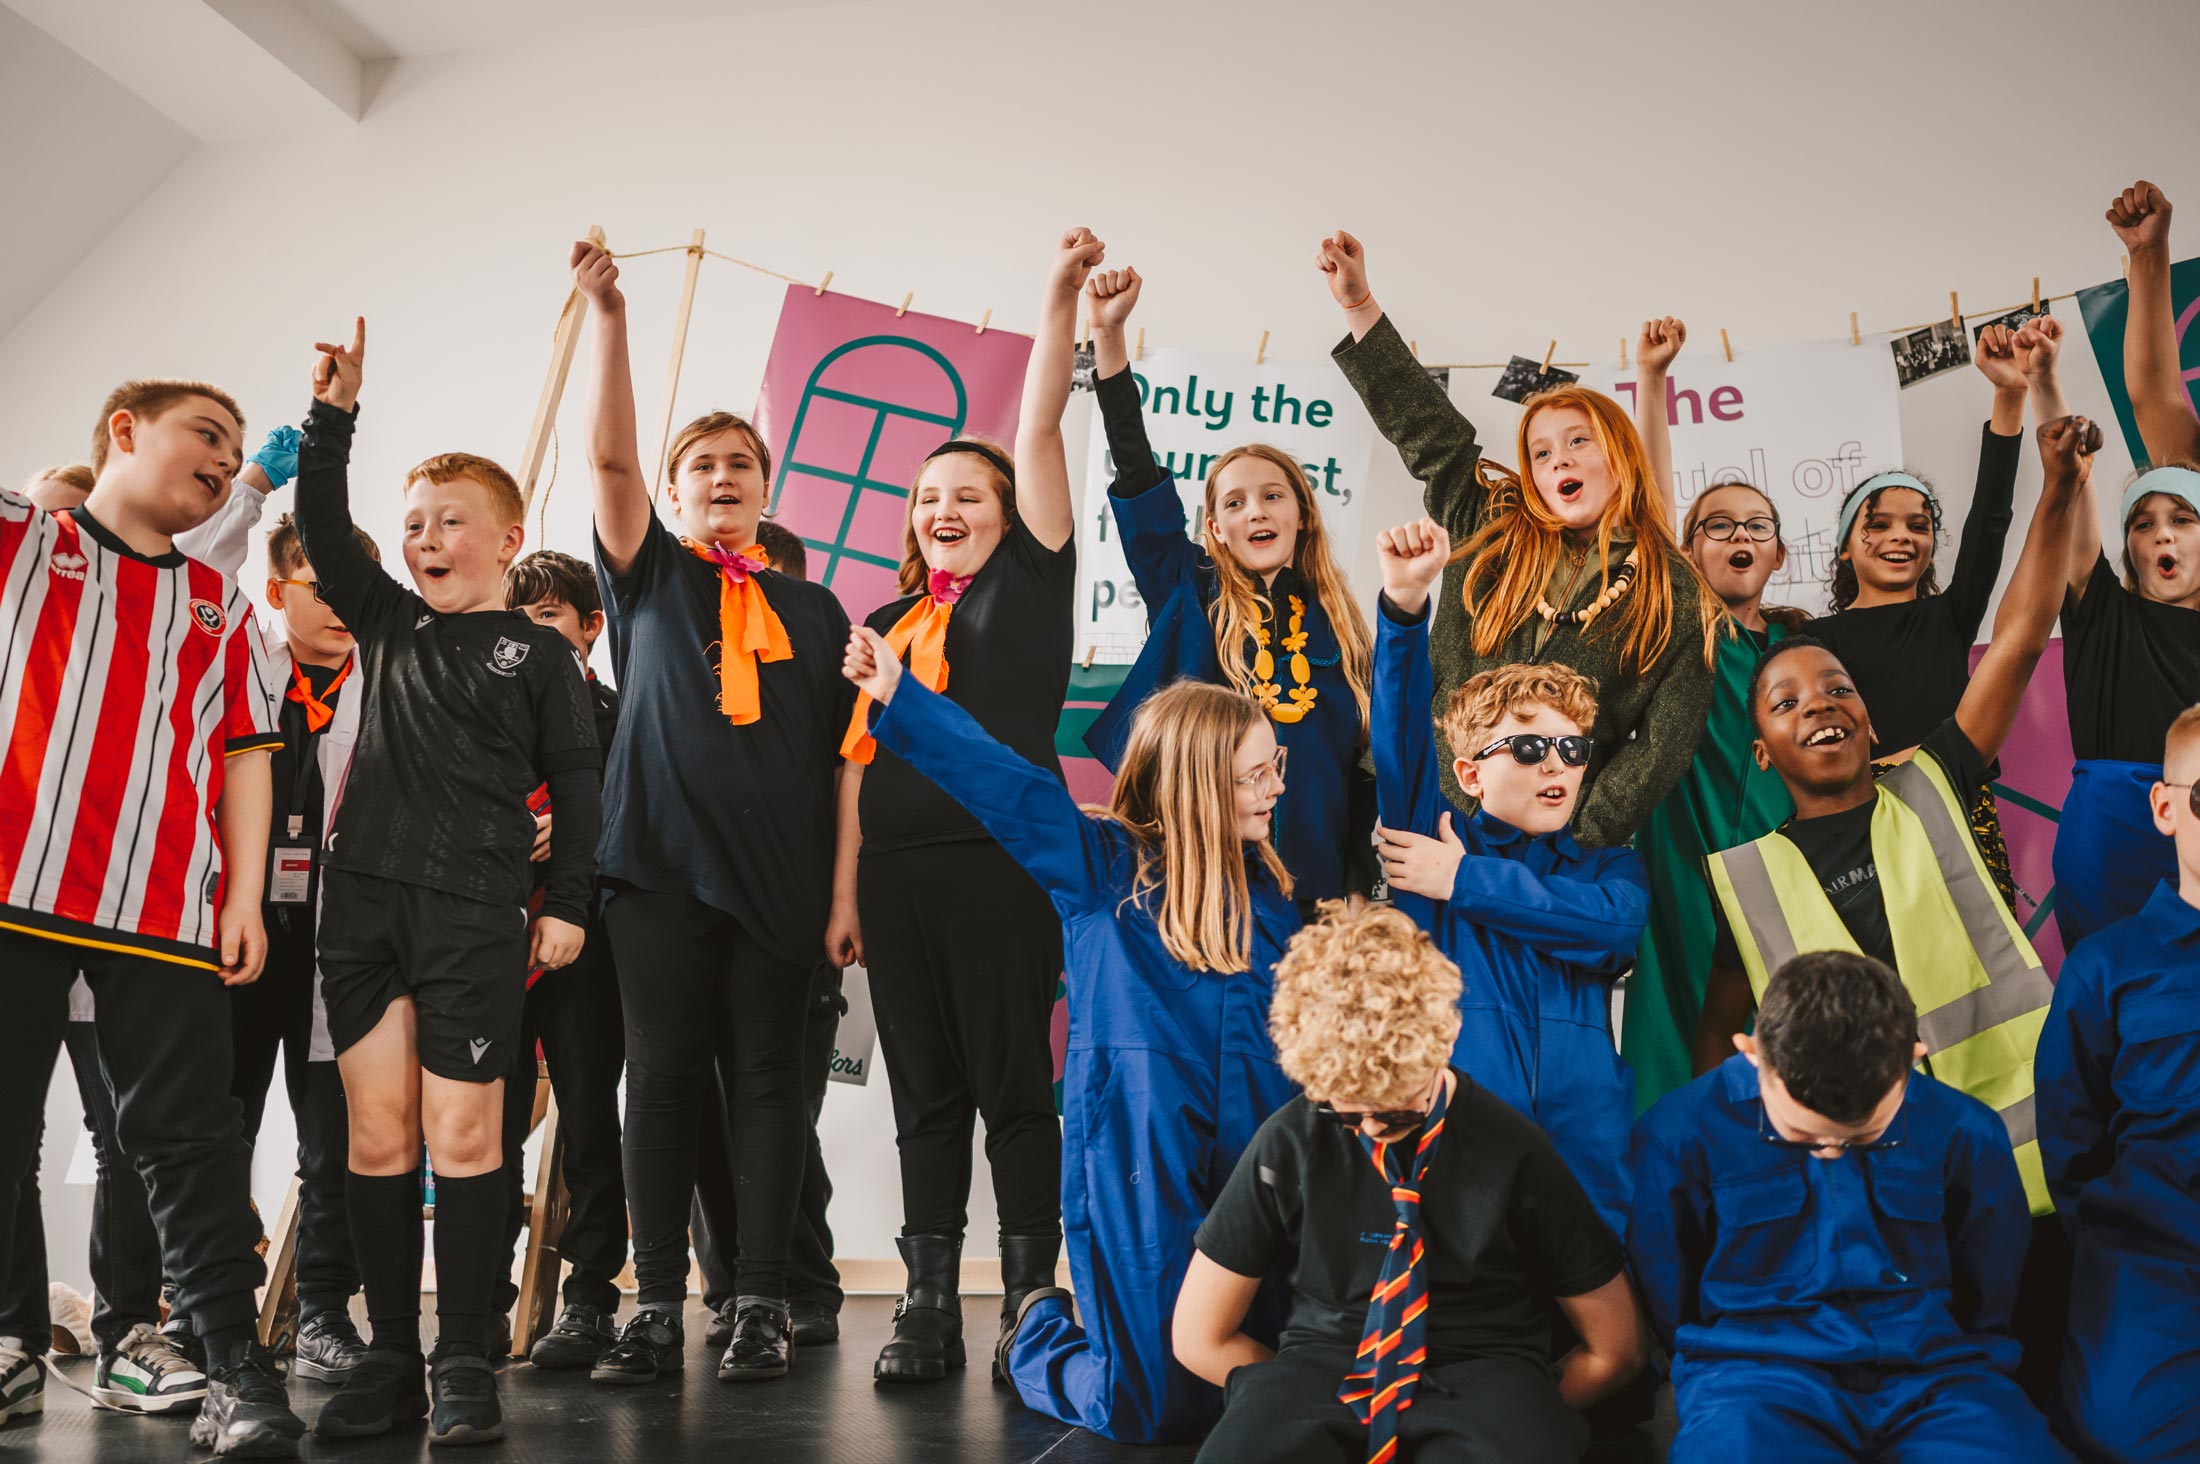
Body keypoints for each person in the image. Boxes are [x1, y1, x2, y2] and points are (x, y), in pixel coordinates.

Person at [844, 629, 1300, 1444]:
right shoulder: (1103, 871)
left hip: (1252, 1163)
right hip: (1136, 1159)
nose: (1274, 789)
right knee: (1149, 1407)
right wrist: (901, 696)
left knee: (1237, 1380)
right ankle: (1037, 1331)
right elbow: (1008, 788)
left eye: (1276, 767)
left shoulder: (1273, 901)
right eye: (1255, 774)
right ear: (1198, 785)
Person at [294, 319, 603, 1445]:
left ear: (508, 538)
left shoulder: (541, 654)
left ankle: (465, 1357)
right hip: (362, 908)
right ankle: (392, 1358)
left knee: (469, 1140)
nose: (425, 538)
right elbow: (325, 531)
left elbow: (580, 788)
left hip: (477, 913)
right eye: (414, 523)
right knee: (379, 1141)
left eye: (449, 522)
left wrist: (565, 902)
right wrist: (334, 417)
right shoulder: (384, 621)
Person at [0, 378, 306, 1455]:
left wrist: (241, 892)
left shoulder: (222, 608)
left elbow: (246, 760)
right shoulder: (26, 545)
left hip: (161, 905)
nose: (225, 462)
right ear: (125, 434)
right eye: (205, 436)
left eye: (236, 453)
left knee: (190, 1144)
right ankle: (8, 1346)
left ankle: (233, 1367)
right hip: (11, 891)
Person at [568, 240, 855, 1386]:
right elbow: (605, 454)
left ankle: (761, 1303)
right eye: (702, 465)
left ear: (768, 488)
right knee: (666, 1079)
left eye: (742, 463)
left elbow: (848, 763)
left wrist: (844, 894)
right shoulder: (649, 578)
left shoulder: (820, 607)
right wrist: (610, 315)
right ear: (674, 493)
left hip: (781, 886)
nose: (722, 477)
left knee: (772, 1085)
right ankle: (653, 1300)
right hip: (657, 873)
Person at [1695, 414, 2097, 1213]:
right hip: (1865, 1198)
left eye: (1839, 688)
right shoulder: (1743, 878)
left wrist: (2056, 488)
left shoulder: (1936, 780)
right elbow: (1719, 1042)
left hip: (2027, 1173)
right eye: (1787, 700)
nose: (1820, 705)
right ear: (1763, 751)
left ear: (1871, 722)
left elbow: (2017, 639)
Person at [828, 228, 1088, 1384]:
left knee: (1012, 1092)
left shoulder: (1028, 588)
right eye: (928, 495)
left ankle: (1031, 1299)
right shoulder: (881, 626)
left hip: (999, 869)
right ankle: (927, 1305)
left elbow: (1035, 427)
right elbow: (854, 770)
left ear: (1007, 512)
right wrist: (844, 894)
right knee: (923, 1094)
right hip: (895, 881)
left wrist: (1057, 297)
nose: (944, 507)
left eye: (967, 494)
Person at [1177, 903, 1644, 1464]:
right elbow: (1200, 1335)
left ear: (1443, 1044)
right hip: (1326, 1365)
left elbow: (1616, 1349)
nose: (1372, 1130)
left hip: (1483, 1370)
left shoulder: (1514, 1149)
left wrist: (1532, 1410)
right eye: (1346, 1116)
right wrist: (1277, 1398)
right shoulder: (1291, 1139)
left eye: (1398, 1115)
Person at [1319, 230, 1715, 850]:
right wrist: (1358, 303)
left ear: (1619, 455)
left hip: (1549, 845)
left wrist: (1577, 835)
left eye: (1579, 440)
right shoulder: (1488, 520)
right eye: (1541, 451)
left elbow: (1663, 745)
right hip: (1427, 805)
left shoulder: (1673, 589)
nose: (1560, 458)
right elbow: (1428, 431)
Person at [1631, 952, 2074, 1463]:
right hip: (1752, 1379)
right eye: (1800, 1133)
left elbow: (1988, 1280)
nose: (1830, 1151)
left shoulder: (1964, 1130)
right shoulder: (1679, 1135)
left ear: (1910, 1057)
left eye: (1863, 1133)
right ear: (1753, 1052)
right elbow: (1669, 1287)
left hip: (1936, 1374)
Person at [1367, 516, 1649, 1236]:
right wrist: (1403, 608)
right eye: (1528, 745)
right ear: (1469, 772)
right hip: (1464, 1155)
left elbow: (1613, 932)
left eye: (1573, 748)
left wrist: (1463, 882)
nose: (1556, 763)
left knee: (1610, 1347)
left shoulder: (1608, 869)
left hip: (1590, 1158)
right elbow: (1401, 739)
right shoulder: (1431, 839)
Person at [1081, 263, 1377, 906]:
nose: (1257, 512)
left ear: (1302, 514)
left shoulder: (1348, 627)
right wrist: (1108, 338)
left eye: (1273, 496)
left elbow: (1364, 772)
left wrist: (1360, 882)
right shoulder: (1188, 586)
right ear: (1214, 528)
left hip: (1315, 886)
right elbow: (1136, 474)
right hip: (1202, 874)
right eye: (1236, 503)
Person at [689, 521, 846, 1351]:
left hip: (798, 926)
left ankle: (802, 1286)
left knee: (779, 1113)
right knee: (707, 1114)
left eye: (764, 579)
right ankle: (732, 1288)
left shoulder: (816, 677)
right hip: (700, 921)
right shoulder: (692, 687)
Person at [1806, 323, 2031, 900]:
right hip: (1858, 818)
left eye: (1918, 525)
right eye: (1876, 524)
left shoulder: (1948, 617)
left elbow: (1990, 521)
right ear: (1844, 545)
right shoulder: (1810, 639)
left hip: (1956, 807)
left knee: (1980, 964)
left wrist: (2009, 395)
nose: (1899, 537)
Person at [229, 512, 373, 1387]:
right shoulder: (238, 665)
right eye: (322, 586)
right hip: (241, 939)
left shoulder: (388, 676)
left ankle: (322, 1313)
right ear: (279, 591)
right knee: (222, 1128)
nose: (342, 605)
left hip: (341, 945)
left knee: (335, 1141)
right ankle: (222, 1317)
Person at [2036, 704, 2200, 1463]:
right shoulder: (2107, 966)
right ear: (2165, 808)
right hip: (2155, 1266)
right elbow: (2072, 1144)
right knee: (2127, 1439)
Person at [2042, 181, 2200, 946]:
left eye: (2182, 520)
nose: (2164, 537)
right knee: (2116, 1013)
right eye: (2145, 523)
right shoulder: (2106, 611)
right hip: (2112, 836)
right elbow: (2151, 393)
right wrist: (2147, 256)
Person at [490, 549, 632, 1371]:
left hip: (586, 945)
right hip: (493, 945)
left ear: (589, 626)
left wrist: (582, 832)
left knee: (588, 1120)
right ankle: (484, 1298)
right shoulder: (484, 710)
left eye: (547, 616)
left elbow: (644, 815)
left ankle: (588, 1297)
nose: (530, 633)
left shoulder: (624, 716)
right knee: (491, 1125)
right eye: (518, 617)